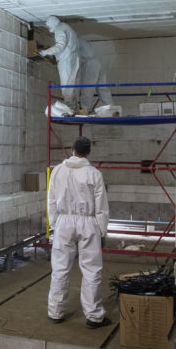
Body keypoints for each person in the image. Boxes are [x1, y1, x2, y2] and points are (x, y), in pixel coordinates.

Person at [47, 136, 111, 328]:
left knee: (60, 268)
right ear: (88, 152)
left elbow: (51, 200)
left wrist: (53, 226)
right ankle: (93, 316)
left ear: (72, 149)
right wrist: (102, 231)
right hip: (88, 222)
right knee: (91, 269)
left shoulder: (57, 171)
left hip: (63, 222)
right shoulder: (94, 174)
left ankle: (55, 312)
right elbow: (101, 207)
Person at [39, 16, 113, 113]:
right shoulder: (74, 35)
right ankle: (113, 109)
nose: (50, 31)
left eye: (49, 27)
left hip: (90, 64)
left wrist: (47, 52)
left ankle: (85, 110)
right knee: (102, 88)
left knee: (86, 89)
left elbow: (61, 46)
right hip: (97, 62)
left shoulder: (61, 30)